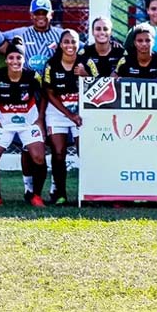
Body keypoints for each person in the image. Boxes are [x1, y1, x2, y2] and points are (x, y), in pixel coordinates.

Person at [4, 0, 62, 201]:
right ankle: (28, 188)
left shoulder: (60, 35)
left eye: (44, 14)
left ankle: (56, 187)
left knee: (56, 145)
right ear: (31, 15)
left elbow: (78, 47)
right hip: (27, 95)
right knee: (27, 145)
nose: (40, 17)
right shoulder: (19, 33)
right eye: (36, 14)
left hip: (54, 95)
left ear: (51, 15)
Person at [0, 38, 48, 207]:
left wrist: (40, 119)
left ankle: (36, 196)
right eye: (11, 58)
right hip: (4, 122)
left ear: (24, 59)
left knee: (39, 158)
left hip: (29, 121)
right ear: (6, 60)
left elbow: (44, 96)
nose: (15, 61)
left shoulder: (32, 76)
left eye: (19, 58)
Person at [43, 29, 95, 205]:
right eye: (66, 42)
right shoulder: (52, 64)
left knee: (85, 153)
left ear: (78, 43)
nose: (70, 45)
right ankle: (60, 194)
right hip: (58, 113)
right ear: (60, 44)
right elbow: (49, 93)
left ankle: (87, 194)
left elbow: (99, 85)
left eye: (73, 42)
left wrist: (85, 75)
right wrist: (69, 115)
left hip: (82, 114)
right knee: (58, 154)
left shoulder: (86, 62)